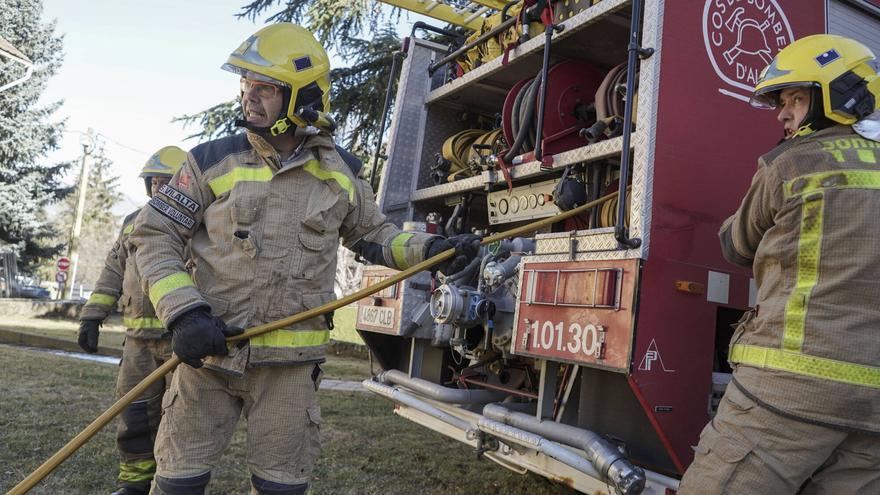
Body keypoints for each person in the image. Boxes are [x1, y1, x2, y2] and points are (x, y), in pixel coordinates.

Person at [129, 23, 478, 495]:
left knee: (280, 488)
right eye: (245, 85)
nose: (249, 98)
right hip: (207, 357)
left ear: (302, 97)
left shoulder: (341, 173)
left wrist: (429, 251)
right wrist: (184, 312)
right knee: (178, 483)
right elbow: (155, 234)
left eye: (265, 88)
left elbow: (374, 235)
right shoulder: (209, 160)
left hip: (289, 373)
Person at [679, 34, 880, 494]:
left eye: (795, 98)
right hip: (873, 412)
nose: (782, 113)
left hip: (785, 394)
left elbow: (735, 244)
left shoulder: (790, 164)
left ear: (842, 96)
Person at [78, 146, 188, 495]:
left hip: (180, 343)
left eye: (165, 182)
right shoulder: (133, 222)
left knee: (180, 417)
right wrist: (92, 317)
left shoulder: (202, 222)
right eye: (152, 182)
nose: (158, 189)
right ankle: (135, 483)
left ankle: (171, 482)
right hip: (137, 342)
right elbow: (113, 269)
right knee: (134, 413)